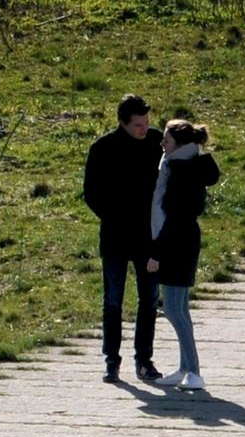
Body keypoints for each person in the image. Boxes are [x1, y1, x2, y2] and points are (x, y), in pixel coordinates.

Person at [80, 95, 163, 381]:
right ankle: (111, 360)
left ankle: (144, 360)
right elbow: (91, 193)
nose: (144, 129)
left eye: (146, 123)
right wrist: (113, 216)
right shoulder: (103, 148)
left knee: (149, 300)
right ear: (123, 123)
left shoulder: (156, 142)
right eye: (138, 125)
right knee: (113, 300)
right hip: (115, 236)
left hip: (149, 237)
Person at [145, 119, 221, 395]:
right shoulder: (177, 164)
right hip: (179, 239)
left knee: (175, 310)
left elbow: (173, 216)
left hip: (178, 242)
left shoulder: (180, 170)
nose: (162, 142)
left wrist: (157, 252)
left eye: (166, 138)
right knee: (178, 309)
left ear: (179, 142)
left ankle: (195, 372)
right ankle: (185, 367)